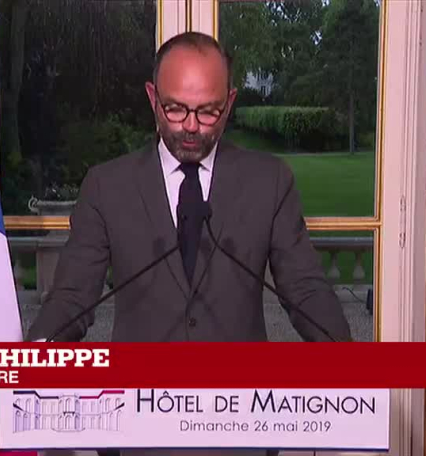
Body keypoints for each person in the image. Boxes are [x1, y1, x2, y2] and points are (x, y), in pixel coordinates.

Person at [28, 32, 352, 456]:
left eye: (208, 111)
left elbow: (305, 289)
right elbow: (72, 298)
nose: (192, 126)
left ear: (229, 103)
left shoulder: (270, 181)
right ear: (152, 98)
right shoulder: (106, 186)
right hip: (135, 431)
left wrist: (349, 362)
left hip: (243, 430)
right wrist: (34, 360)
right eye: (176, 109)